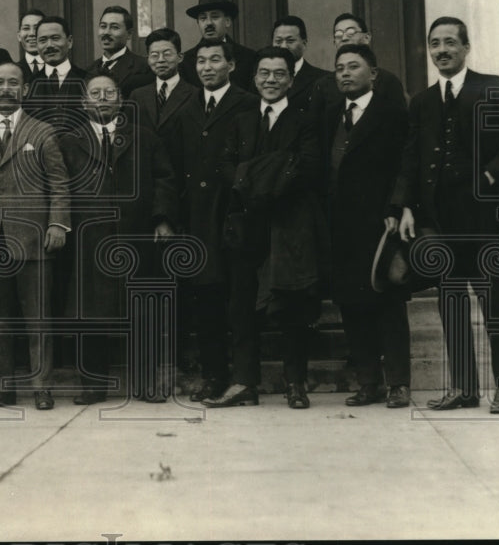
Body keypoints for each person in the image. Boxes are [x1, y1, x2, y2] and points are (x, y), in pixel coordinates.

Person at [394, 17, 499, 413]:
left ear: (466, 47)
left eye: (450, 42)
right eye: (435, 44)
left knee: (494, 300)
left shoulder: (492, 88)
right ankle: (464, 389)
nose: (442, 50)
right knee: (450, 301)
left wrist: (488, 176)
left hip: (483, 216)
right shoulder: (421, 102)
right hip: (438, 218)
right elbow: (410, 158)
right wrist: (404, 206)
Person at [207, 47, 324, 410]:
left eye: (278, 74)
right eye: (264, 73)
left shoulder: (305, 121)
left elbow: (304, 170)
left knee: (291, 306)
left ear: (290, 79)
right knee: (241, 307)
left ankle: (295, 383)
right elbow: (224, 166)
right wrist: (267, 171)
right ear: (253, 78)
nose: (270, 80)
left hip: (288, 226)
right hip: (246, 227)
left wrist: (251, 176)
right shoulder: (240, 121)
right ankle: (244, 382)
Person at [0, 62, 70, 410]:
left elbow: (60, 184)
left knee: (38, 318)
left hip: (33, 240)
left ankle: (41, 387)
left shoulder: (43, 132)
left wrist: (57, 223)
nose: (5, 89)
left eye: (13, 83)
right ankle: (1, 388)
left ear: (25, 90)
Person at [58, 74, 177, 404]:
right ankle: (93, 384)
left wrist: (162, 220)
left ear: (121, 100)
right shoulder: (70, 141)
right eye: (95, 93)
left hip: (135, 235)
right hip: (89, 239)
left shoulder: (144, 138)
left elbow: (165, 181)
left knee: (141, 310)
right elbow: (59, 190)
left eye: (109, 92)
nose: (102, 98)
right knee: (89, 312)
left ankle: (146, 382)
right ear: (84, 103)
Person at [323, 45, 411, 408]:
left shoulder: (391, 113)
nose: (345, 73)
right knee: (351, 305)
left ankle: (398, 384)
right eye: (339, 68)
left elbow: (406, 164)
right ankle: (368, 382)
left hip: (379, 223)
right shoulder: (330, 114)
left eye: (354, 67)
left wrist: (396, 206)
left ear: (373, 74)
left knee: (386, 303)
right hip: (340, 227)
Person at [171, 38, 258, 403]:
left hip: (234, 217)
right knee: (206, 302)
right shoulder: (187, 106)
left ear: (231, 65)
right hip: (198, 221)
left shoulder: (248, 104)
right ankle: (214, 376)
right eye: (202, 61)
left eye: (215, 60)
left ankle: (244, 380)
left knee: (239, 303)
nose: (207, 67)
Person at [315, 13, 407, 110]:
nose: (344, 38)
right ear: (335, 43)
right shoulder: (323, 85)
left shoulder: (388, 81)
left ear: (367, 38)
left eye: (351, 33)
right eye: (338, 35)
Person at [180, 0, 257, 91]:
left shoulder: (249, 57)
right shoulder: (186, 61)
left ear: (227, 21)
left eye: (215, 17)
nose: (209, 23)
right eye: (203, 18)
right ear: (198, 23)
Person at [26, 15, 90, 134]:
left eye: (55, 38)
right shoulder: (30, 83)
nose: (49, 45)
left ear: (69, 42)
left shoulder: (87, 80)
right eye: (43, 40)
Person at [271, 15, 330, 114]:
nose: (284, 46)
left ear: (304, 43)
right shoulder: (262, 79)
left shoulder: (323, 79)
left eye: (290, 41)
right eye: (278, 41)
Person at [86, 5, 152, 95]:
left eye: (114, 27)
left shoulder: (144, 68)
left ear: (129, 34)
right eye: (103, 26)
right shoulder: (89, 70)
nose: (106, 32)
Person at [16, 8, 46, 83]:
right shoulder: (13, 70)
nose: (32, 33)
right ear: (19, 36)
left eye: (37, 28)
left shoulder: (58, 69)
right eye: (26, 28)